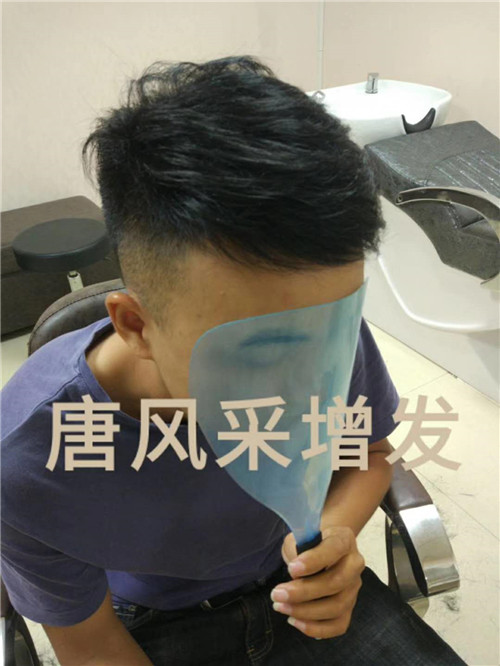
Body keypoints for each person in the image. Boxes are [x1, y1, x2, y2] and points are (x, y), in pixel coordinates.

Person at [0, 55, 467, 666]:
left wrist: (335, 533)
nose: (307, 384)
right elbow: (90, 645)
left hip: (299, 576)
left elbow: (368, 454)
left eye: (333, 330)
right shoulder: (30, 463)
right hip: (154, 621)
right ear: (135, 325)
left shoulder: (321, 332)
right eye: (261, 356)